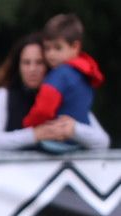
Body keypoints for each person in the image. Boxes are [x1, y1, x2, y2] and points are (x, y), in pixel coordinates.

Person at [0, 34, 110, 153]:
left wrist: (74, 130)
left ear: (49, 65)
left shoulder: (66, 95)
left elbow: (102, 142)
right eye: (26, 63)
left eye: (39, 62)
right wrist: (35, 135)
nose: (32, 69)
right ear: (18, 66)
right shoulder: (5, 95)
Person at [37, 13, 105, 152]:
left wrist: (31, 126)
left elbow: (43, 109)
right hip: (81, 144)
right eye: (47, 48)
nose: (50, 54)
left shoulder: (60, 74)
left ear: (75, 46)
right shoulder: (85, 73)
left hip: (57, 141)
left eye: (57, 48)